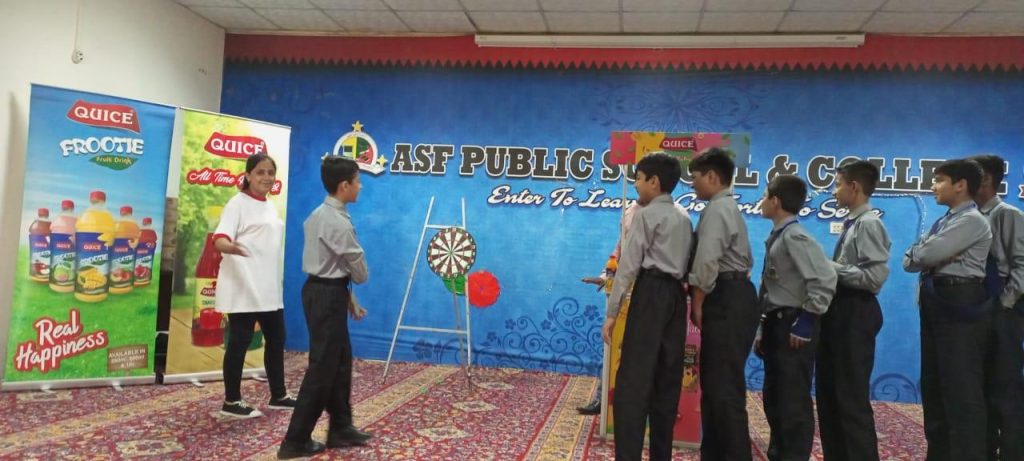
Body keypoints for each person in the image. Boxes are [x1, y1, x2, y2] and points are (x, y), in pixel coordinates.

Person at [278, 157, 371, 460]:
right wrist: (348, 287)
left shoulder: (319, 214)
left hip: (325, 291)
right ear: (344, 186)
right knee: (322, 368)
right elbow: (359, 272)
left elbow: (330, 266)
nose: (360, 186)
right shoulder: (337, 223)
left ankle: (341, 427)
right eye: (357, 181)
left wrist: (347, 297)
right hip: (326, 296)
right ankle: (295, 440)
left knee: (340, 361)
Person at [602, 153, 693, 461]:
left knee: (633, 381)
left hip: (650, 293)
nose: (636, 185)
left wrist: (612, 313)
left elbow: (628, 266)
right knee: (667, 380)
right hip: (676, 298)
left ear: (654, 182)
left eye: (639, 179)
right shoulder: (684, 216)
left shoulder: (645, 215)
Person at [902, 159, 992, 461]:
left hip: (959, 301)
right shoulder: (945, 221)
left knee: (960, 387)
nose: (933, 186)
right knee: (935, 384)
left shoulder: (972, 221)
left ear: (960, 185)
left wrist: (928, 253)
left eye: (939, 180)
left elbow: (928, 253)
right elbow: (910, 260)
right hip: (936, 301)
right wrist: (927, 254)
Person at [754, 174, 836, 461]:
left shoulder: (795, 236)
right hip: (776, 322)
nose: (762, 201)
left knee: (792, 400)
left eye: (765, 196)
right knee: (774, 396)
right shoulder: (779, 235)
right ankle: (779, 453)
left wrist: (807, 322)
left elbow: (824, 279)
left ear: (775, 201)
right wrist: (763, 327)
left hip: (793, 325)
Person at [687, 148, 759, 461]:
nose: (692, 184)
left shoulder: (718, 210)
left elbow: (707, 262)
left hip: (727, 298)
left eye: (695, 177)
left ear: (713, 177)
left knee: (724, 389)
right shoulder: (724, 207)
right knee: (717, 387)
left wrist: (698, 301)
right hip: (733, 295)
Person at [817, 161, 890, 461]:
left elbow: (874, 279)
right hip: (840, 311)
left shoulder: (869, 224)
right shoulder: (853, 223)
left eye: (837, 184)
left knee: (850, 398)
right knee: (831, 395)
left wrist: (828, 267)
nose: (833, 191)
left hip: (855, 311)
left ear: (854, 186)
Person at [213, 152, 295, 419]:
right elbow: (220, 239)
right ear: (248, 175)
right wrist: (230, 247)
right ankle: (232, 401)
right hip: (244, 285)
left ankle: (279, 395)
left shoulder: (269, 205)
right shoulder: (237, 204)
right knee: (239, 341)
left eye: (271, 172)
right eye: (260, 172)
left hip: (268, 287)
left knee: (277, 339)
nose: (266, 177)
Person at [969, 154, 1024, 460]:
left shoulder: (1008, 214)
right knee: (981, 389)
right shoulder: (970, 217)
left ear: (987, 178)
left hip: (1003, 312)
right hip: (978, 312)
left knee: (1005, 389)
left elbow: (1021, 265)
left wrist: (1003, 305)